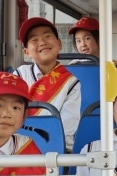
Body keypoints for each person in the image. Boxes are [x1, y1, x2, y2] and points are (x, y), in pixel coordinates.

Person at [14, 17, 82, 153]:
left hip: (54, 148)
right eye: (34, 40)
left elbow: (66, 128)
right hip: (16, 146)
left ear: (59, 44)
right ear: (27, 52)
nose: (42, 42)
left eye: (47, 36)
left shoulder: (71, 82)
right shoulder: (20, 75)